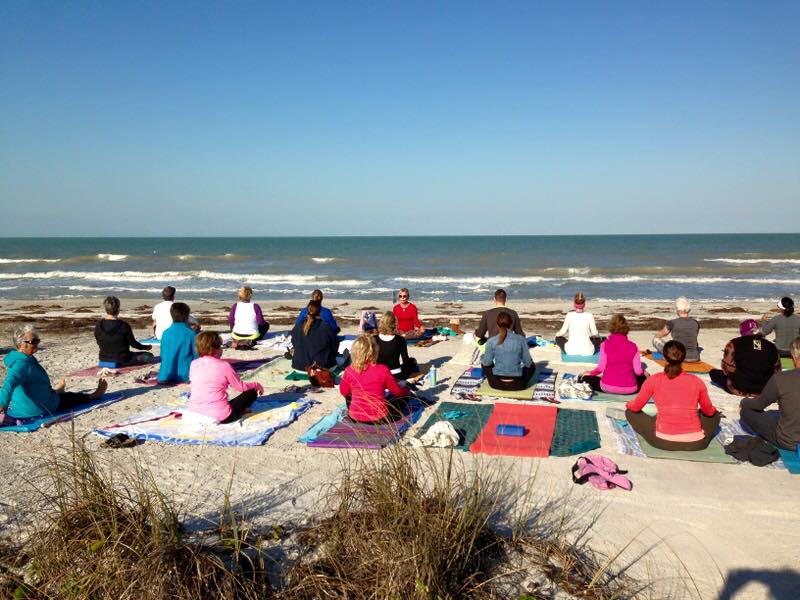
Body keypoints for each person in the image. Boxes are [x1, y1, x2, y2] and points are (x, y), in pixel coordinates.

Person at [625, 341, 721, 451]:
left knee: (630, 412)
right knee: (715, 416)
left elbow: (635, 407)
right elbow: (709, 411)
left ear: (664, 358)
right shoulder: (696, 381)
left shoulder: (654, 379)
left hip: (662, 441)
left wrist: (628, 404)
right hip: (696, 443)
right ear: (683, 358)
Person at [0, 326, 107, 420]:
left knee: (54, 392)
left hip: (24, 406)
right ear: (21, 345)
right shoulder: (21, 364)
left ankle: (58, 391)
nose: (37, 343)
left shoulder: (20, 359)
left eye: (38, 340)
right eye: (34, 341)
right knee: (70, 397)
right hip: (39, 409)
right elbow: (8, 383)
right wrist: (2, 404)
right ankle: (94, 395)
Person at [185, 332, 264, 424]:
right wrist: (256, 385)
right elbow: (240, 387)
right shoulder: (224, 365)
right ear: (215, 348)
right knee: (252, 392)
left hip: (194, 411)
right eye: (220, 346)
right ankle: (240, 410)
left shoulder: (194, 363)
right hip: (221, 416)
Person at [739, 337, 800, 451]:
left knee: (747, 411)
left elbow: (758, 405)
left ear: (794, 357)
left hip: (789, 441)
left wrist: (744, 401)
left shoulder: (781, 378)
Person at [339, 335, 410, 423]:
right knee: (403, 398)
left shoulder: (349, 370)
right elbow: (396, 392)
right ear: (374, 351)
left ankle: (357, 411)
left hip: (355, 417)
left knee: (349, 396)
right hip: (380, 419)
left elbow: (344, 392)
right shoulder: (383, 369)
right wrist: (406, 390)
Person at [709, 319, 780, 396]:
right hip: (765, 388)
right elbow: (777, 369)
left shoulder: (734, 343)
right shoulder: (771, 346)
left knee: (714, 373)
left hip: (740, 388)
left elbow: (726, 366)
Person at [579, 314, 646, 394]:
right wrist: (644, 372)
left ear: (611, 328)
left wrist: (589, 373)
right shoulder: (633, 346)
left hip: (607, 387)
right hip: (630, 389)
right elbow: (638, 371)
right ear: (626, 329)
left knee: (585, 378)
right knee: (644, 377)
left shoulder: (605, 344)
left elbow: (600, 368)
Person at [481, 311, 535, 391]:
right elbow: (528, 363)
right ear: (511, 324)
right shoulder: (521, 339)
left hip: (496, 384)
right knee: (532, 366)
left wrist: (482, 357)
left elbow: (487, 363)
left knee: (484, 361)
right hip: (518, 384)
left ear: (497, 324)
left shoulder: (491, 341)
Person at [94, 296, 154, 366]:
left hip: (103, 358)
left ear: (106, 309)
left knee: (132, 354)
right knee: (149, 356)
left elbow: (98, 341)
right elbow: (133, 344)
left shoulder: (99, 325)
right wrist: (146, 347)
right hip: (122, 359)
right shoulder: (124, 325)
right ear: (118, 309)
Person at [290, 300, 338, 371]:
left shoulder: (298, 326)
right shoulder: (325, 327)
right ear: (320, 312)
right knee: (337, 359)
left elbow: (293, 341)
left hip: (298, 367)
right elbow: (335, 345)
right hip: (321, 368)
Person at [158, 302, 199, 384]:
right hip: (184, 375)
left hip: (164, 375)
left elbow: (162, 355)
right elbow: (196, 356)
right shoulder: (191, 334)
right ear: (186, 316)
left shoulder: (165, 333)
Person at [652, 297, 701, 362]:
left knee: (655, 340)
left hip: (678, 356)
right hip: (695, 357)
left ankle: (666, 354)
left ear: (678, 310)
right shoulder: (695, 323)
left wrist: (656, 335)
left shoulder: (672, 322)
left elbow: (662, 334)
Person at [376, 311, 418, 379]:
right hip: (396, 375)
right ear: (395, 324)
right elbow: (405, 360)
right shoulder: (400, 340)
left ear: (381, 323)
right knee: (412, 361)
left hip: (378, 374)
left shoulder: (374, 339)